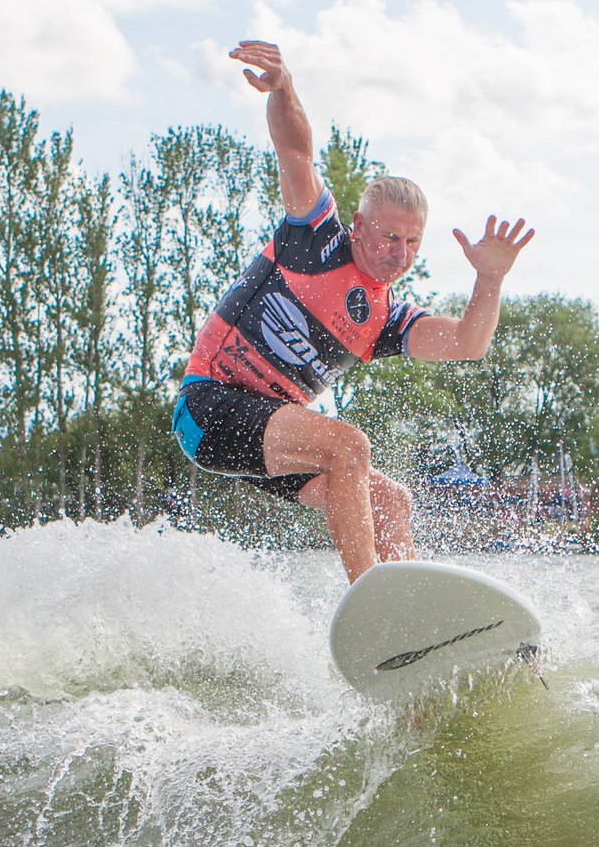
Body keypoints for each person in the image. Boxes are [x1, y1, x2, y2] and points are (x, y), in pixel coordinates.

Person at [171, 40, 535, 583]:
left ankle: (412, 621)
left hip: (277, 435)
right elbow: (296, 152)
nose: (400, 253)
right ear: (360, 227)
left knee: (391, 500)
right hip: (210, 410)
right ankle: (371, 597)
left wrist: (490, 278)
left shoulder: (385, 318)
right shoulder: (315, 242)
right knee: (349, 444)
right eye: (390, 236)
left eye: (413, 243)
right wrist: (284, 88)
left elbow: (467, 343)